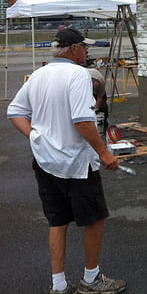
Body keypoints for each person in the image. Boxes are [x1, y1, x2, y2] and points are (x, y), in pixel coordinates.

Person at [7, 28, 127, 294]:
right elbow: (82, 121)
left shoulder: (38, 75)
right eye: (84, 48)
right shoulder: (78, 75)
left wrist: (35, 135)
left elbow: (15, 111)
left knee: (57, 221)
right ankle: (91, 279)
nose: (86, 52)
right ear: (73, 49)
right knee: (95, 219)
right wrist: (104, 152)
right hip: (76, 164)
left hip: (46, 162)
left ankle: (59, 285)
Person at [88, 68, 109, 142]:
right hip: (87, 91)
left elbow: (100, 98)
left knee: (103, 107)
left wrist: (96, 110)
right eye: (95, 87)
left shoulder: (101, 82)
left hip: (98, 91)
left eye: (97, 86)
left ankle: (104, 129)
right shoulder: (85, 81)